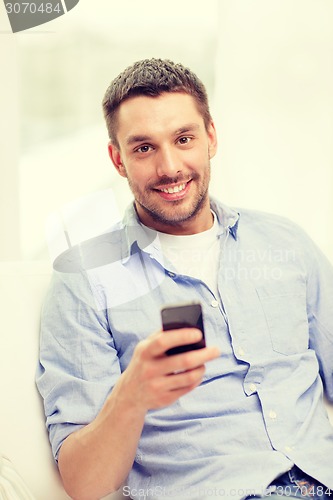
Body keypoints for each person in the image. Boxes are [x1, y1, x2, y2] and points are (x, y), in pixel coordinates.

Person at [36, 59, 333, 500]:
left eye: (184, 139)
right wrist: (132, 395)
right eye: (143, 148)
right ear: (117, 159)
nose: (170, 167)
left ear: (211, 136)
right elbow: (85, 483)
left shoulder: (283, 241)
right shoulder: (85, 279)